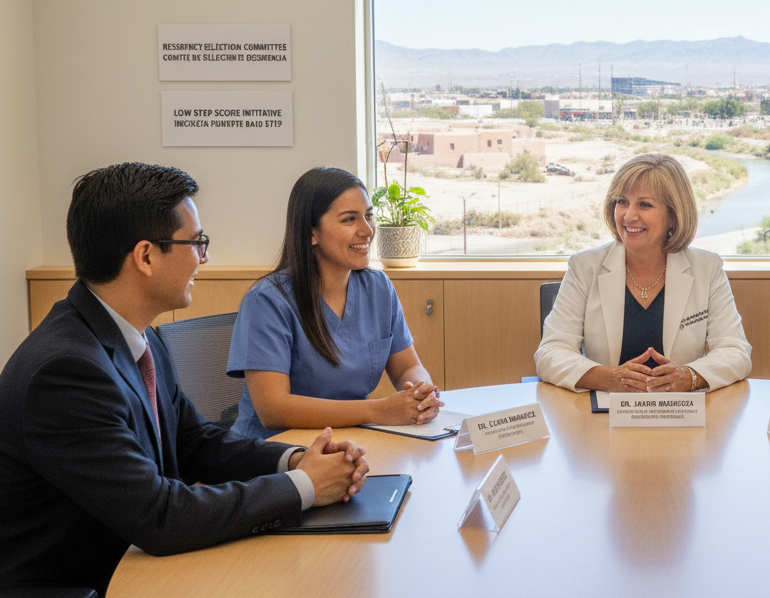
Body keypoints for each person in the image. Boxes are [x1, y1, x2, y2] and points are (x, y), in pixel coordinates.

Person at [0, 163, 370, 595]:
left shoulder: (139, 339)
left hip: (134, 565)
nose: (205, 257)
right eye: (197, 243)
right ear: (145, 256)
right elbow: (161, 517)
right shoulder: (65, 373)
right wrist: (305, 486)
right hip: (81, 584)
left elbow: (197, 443)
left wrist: (296, 460)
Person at [227, 167, 443, 439]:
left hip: (349, 441)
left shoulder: (379, 288)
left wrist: (421, 391)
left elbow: (407, 366)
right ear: (312, 233)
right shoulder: (267, 301)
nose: (367, 231)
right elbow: (273, 409)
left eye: (368, 216)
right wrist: (376, 411)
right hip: (273, 454)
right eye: (349, 219)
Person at [535, 153, 752, 393]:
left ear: (673, 215)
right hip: (603, 417)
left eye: (645, 204)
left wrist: (690, 377)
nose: (628, 216)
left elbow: (736, 352)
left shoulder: (707, 269)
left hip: (680, 414)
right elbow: (550, 353)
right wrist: (606, 377)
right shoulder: (584, 268)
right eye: (622, 202)